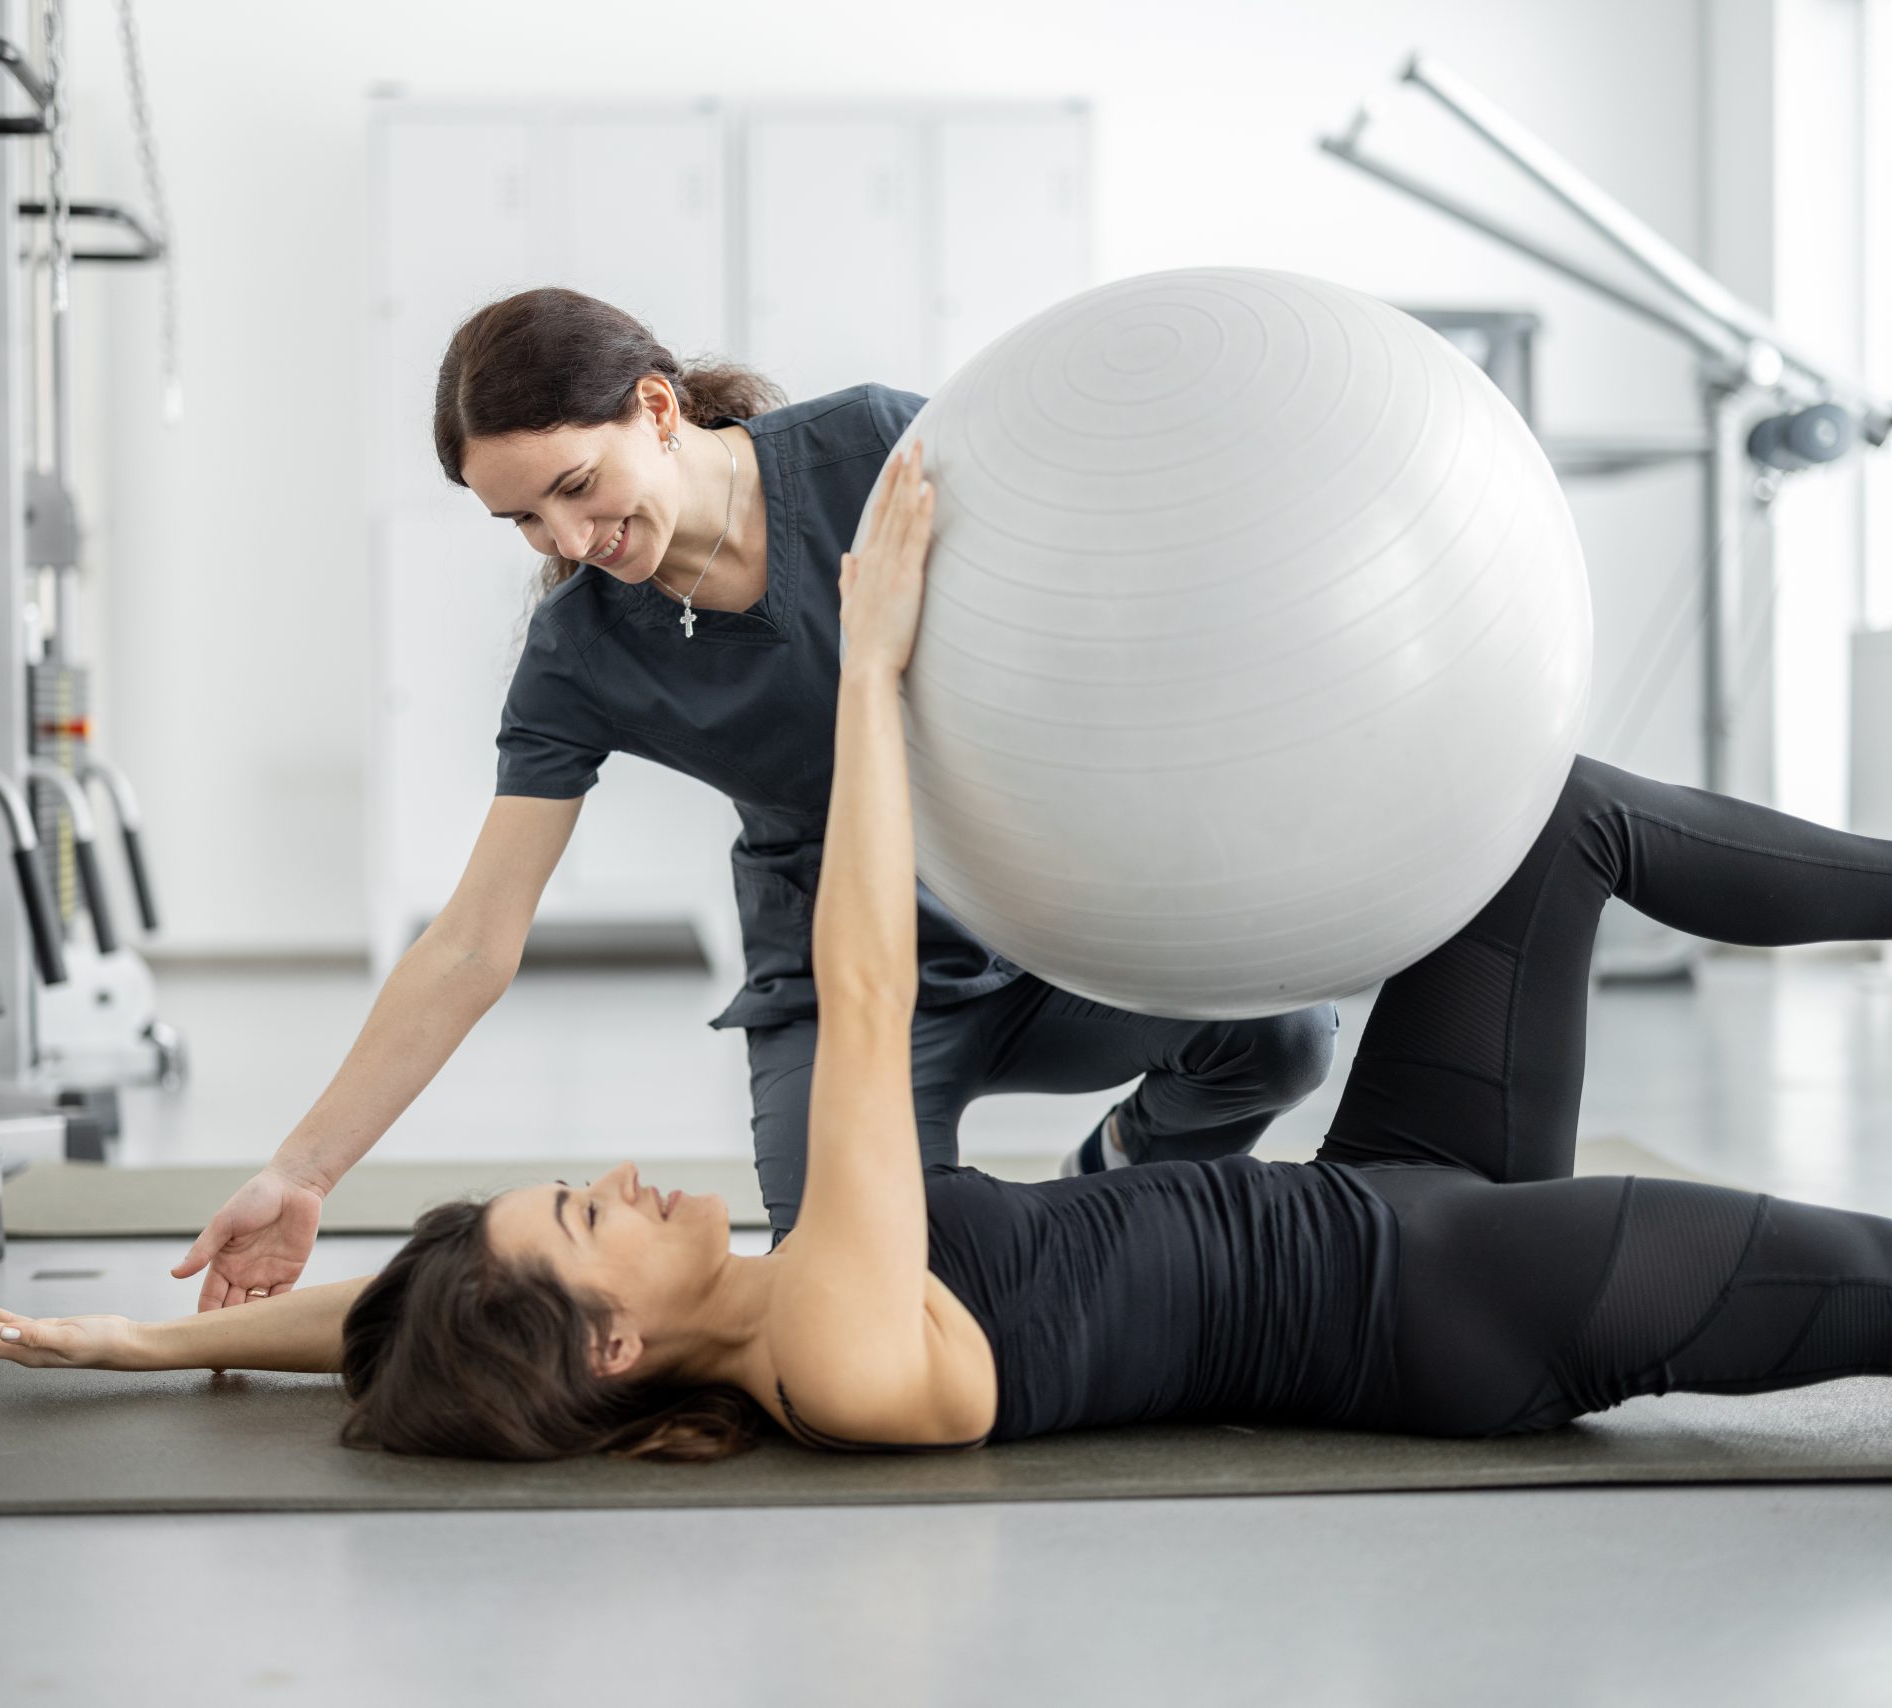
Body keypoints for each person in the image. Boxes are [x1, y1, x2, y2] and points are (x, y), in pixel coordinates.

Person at [0, 448, 1892, 1462]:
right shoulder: (846, 1340)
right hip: (1465, 1298)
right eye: (594, 1210)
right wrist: (864, 671)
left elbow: (408, 1329)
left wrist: (122, 1345)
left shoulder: (724, 1306)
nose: (624, 1172)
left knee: (1526, 801)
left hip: (1392, 1183)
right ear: (610, 1348)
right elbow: (861, 996)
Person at [170, 288, 1341, 1310]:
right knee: (882, 1301)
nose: (568, 540)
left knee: (1282, 1033)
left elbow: (1093, 628)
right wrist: (304, 1169)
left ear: (660, 408)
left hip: (1039, 928)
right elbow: (475, 939)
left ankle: (1117, 1173)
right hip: (839, 986)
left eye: (577, 486)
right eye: (523, 518)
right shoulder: (578, 653)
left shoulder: (879, 447)